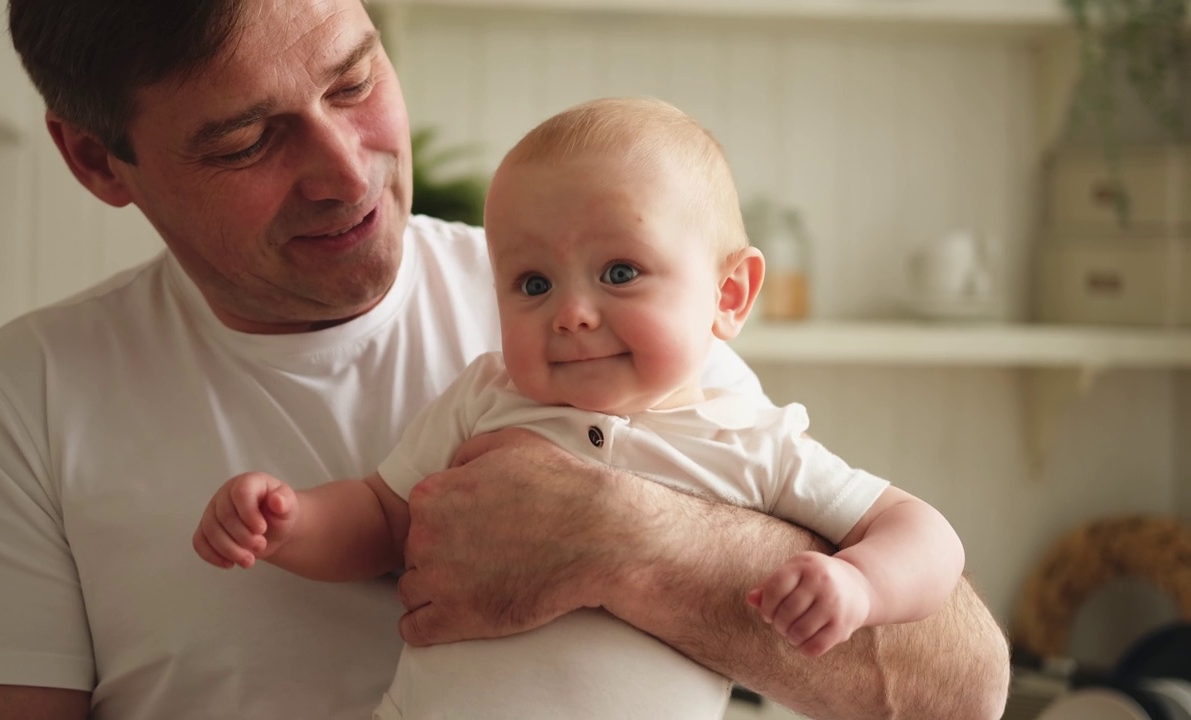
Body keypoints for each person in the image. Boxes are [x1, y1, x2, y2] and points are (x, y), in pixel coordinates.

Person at [0, 0, 1010, 718]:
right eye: (248, 139)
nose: (345, 172)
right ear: (98, 161)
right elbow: (374, 519)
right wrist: (286, 522)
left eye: (351, 82)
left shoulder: (625, 316)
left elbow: (960, 687)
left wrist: (612, 539)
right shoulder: (25, 405)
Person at [192, 97, 969, 720]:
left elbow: (920, 533)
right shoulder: (489, 397)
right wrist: (290, 523)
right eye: (532, 284)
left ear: (728, 295)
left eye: (620, 271)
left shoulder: (752, 441)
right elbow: (381, 517)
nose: (571, 314)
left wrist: (862, 585)